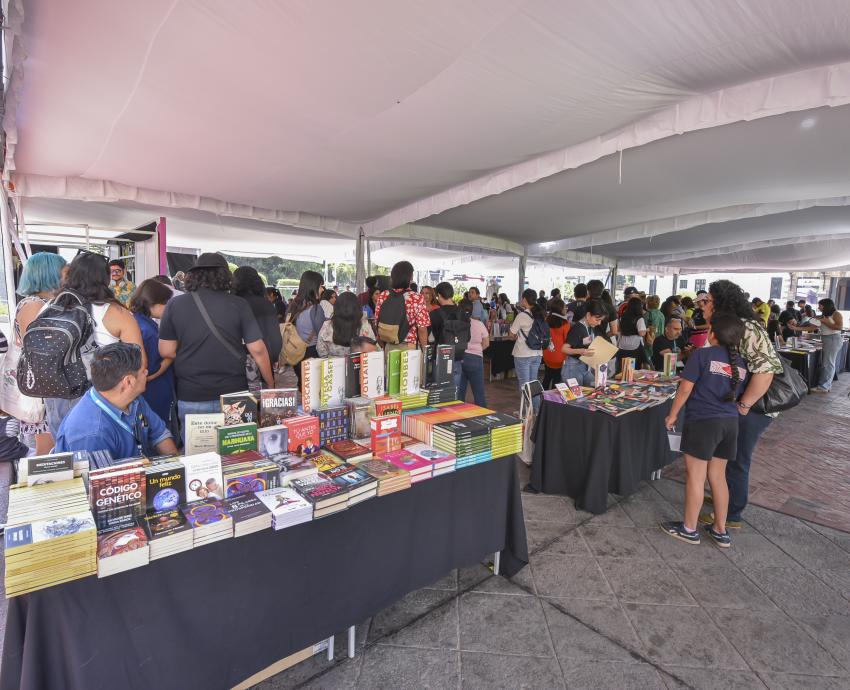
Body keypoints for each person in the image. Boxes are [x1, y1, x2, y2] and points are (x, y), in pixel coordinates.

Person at [697, 280, 782, 531]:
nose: (704, 305)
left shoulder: (746, 328)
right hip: (737, 404)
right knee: (726, 454)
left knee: (736, 458)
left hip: (753, 407)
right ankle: (726, 494)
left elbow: (765, 373)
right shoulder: (732, 326)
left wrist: (743, 406)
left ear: (721, 303)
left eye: (708, 300)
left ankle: (732, 513)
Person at [159, 252, 273, 433]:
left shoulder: (175, 305)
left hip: (192, 395)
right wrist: (270, 384)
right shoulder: (239, 304)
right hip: (235, 396)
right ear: (225, 276)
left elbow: (166, 351)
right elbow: (258, 350)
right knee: (240, 455)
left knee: (198, 458)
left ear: (192, 276)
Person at [662, 313, 748, 548]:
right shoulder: (740, 363)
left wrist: (672, 414)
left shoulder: (702, 355)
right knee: (718, 477)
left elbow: (684, 390)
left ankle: (689, 529)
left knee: (696, 477)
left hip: (703, 422)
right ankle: (720, 530)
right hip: (730, 424)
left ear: (713, 334)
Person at [48, 252, 146, 433]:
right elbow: (139, 361)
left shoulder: (50, 306)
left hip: (55, 394)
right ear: (104, 277)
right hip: (102, 394)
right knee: (105, 455)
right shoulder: (115, 312)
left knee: (67, 453)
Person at [55, 343, 178, 458]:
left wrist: (176, 468)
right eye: (142, 371)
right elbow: (99, 480)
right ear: (128, 381)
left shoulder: (134, 398)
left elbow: (159, 434)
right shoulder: (92, 433)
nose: (146, 372)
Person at [13, 251, 67, 453]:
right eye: (63, 271)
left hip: (46, 386)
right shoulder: (34, 305)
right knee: (48, 455)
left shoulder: (39, 303)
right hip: (42, 388)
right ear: (49, 274)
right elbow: (39, 349)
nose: (66, 277)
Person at [129, 279, 175, 425]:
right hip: (155, 392)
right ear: (152, 303)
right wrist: (171, 355)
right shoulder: (148, 331)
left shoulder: (135, 321)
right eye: (166, 303)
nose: (168, 307)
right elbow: (152, 370)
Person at [374, 261, 430, 349]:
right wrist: (425, 351)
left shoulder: (383, 295)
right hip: (409, 348)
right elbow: (422, 329)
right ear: (410, 277)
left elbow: (377, 321)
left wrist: (382, 344)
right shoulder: (416, 297)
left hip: (389, 345)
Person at [234, 267, 283, 365]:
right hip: (263, 363)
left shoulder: (232, 304)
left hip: (236, 364)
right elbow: (276, 341)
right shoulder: (265, 304)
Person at [793, 298, 844, 393]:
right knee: (827, 363)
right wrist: (795, 328)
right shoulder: (822, 316)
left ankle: (824, 387)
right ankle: (826, 385)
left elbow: (839, 327)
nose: (818, 307)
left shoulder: (836, 314)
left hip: (833, 338)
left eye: (820, 305)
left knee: (828, 364)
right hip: (826, 339)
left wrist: (825, 321)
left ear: (826, 305)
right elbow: (812, 327)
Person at [286, 270, 327, 388]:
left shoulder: (294, 306)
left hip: (296, 354)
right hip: (312, 353)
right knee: (314, 390)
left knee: (304, 388)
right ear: (313, 287)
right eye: (320, 286)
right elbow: (323, 334)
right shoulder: (315, 309)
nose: (322, 289)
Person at [508, 289, 545, 410]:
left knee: (524, 385)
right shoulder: (540, 314)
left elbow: (511, 334)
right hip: (537, 353)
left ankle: (526, 413)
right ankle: (536, 411)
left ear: (524, 299)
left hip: (523, 354)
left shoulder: (522, 315)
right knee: (533, 383)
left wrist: (517, 336)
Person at [561, 299, 606, 387]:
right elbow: (564, 349)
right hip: (573, 367)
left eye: (601, 320)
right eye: (597, 319)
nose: (599, 323)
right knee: (575, 399)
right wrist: (581, 351)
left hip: (584, 366)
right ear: (588, 315)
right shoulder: (578, 328)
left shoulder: (590, 326)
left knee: (593, 389)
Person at [316, 291, 376, 357]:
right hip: (359, 365)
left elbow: (321, 351)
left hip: (332, 366)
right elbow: (374, 350)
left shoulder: (327, 326)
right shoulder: (365, 326)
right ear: (357, 307)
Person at [455, 298, 489, 405]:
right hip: (475, 359)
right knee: (479, 393)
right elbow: (486, 343)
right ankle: (482, 417)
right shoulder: (479, 324)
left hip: (460, 357)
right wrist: (477, 350)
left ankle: (457, 416)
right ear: (472, 310)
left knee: (460, 392)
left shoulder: (456, 324)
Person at [542, 298, 569, 389]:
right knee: (557, 379)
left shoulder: (546, 320)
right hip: (559, 357)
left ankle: (542, 398)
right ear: (560, 309)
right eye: (565, 307)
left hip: (547, 354)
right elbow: (567, 341)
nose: (566, 309)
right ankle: (552, 400)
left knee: (547, 377)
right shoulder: (565, 323)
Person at [616, 296, 647, 369]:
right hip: (635, 345)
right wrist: (646, 330)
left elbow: (619, 329)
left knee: (623, 367)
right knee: (634, 368)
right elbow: (641, 333)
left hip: (623, 344)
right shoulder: (639, 318)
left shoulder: (622, 317)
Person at [643, 295, 666, 365]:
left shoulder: (648, 314)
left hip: (649, 340)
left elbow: (643, 328)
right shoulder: (661, 314)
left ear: (648, 304)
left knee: (648, 361)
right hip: (660, 340)